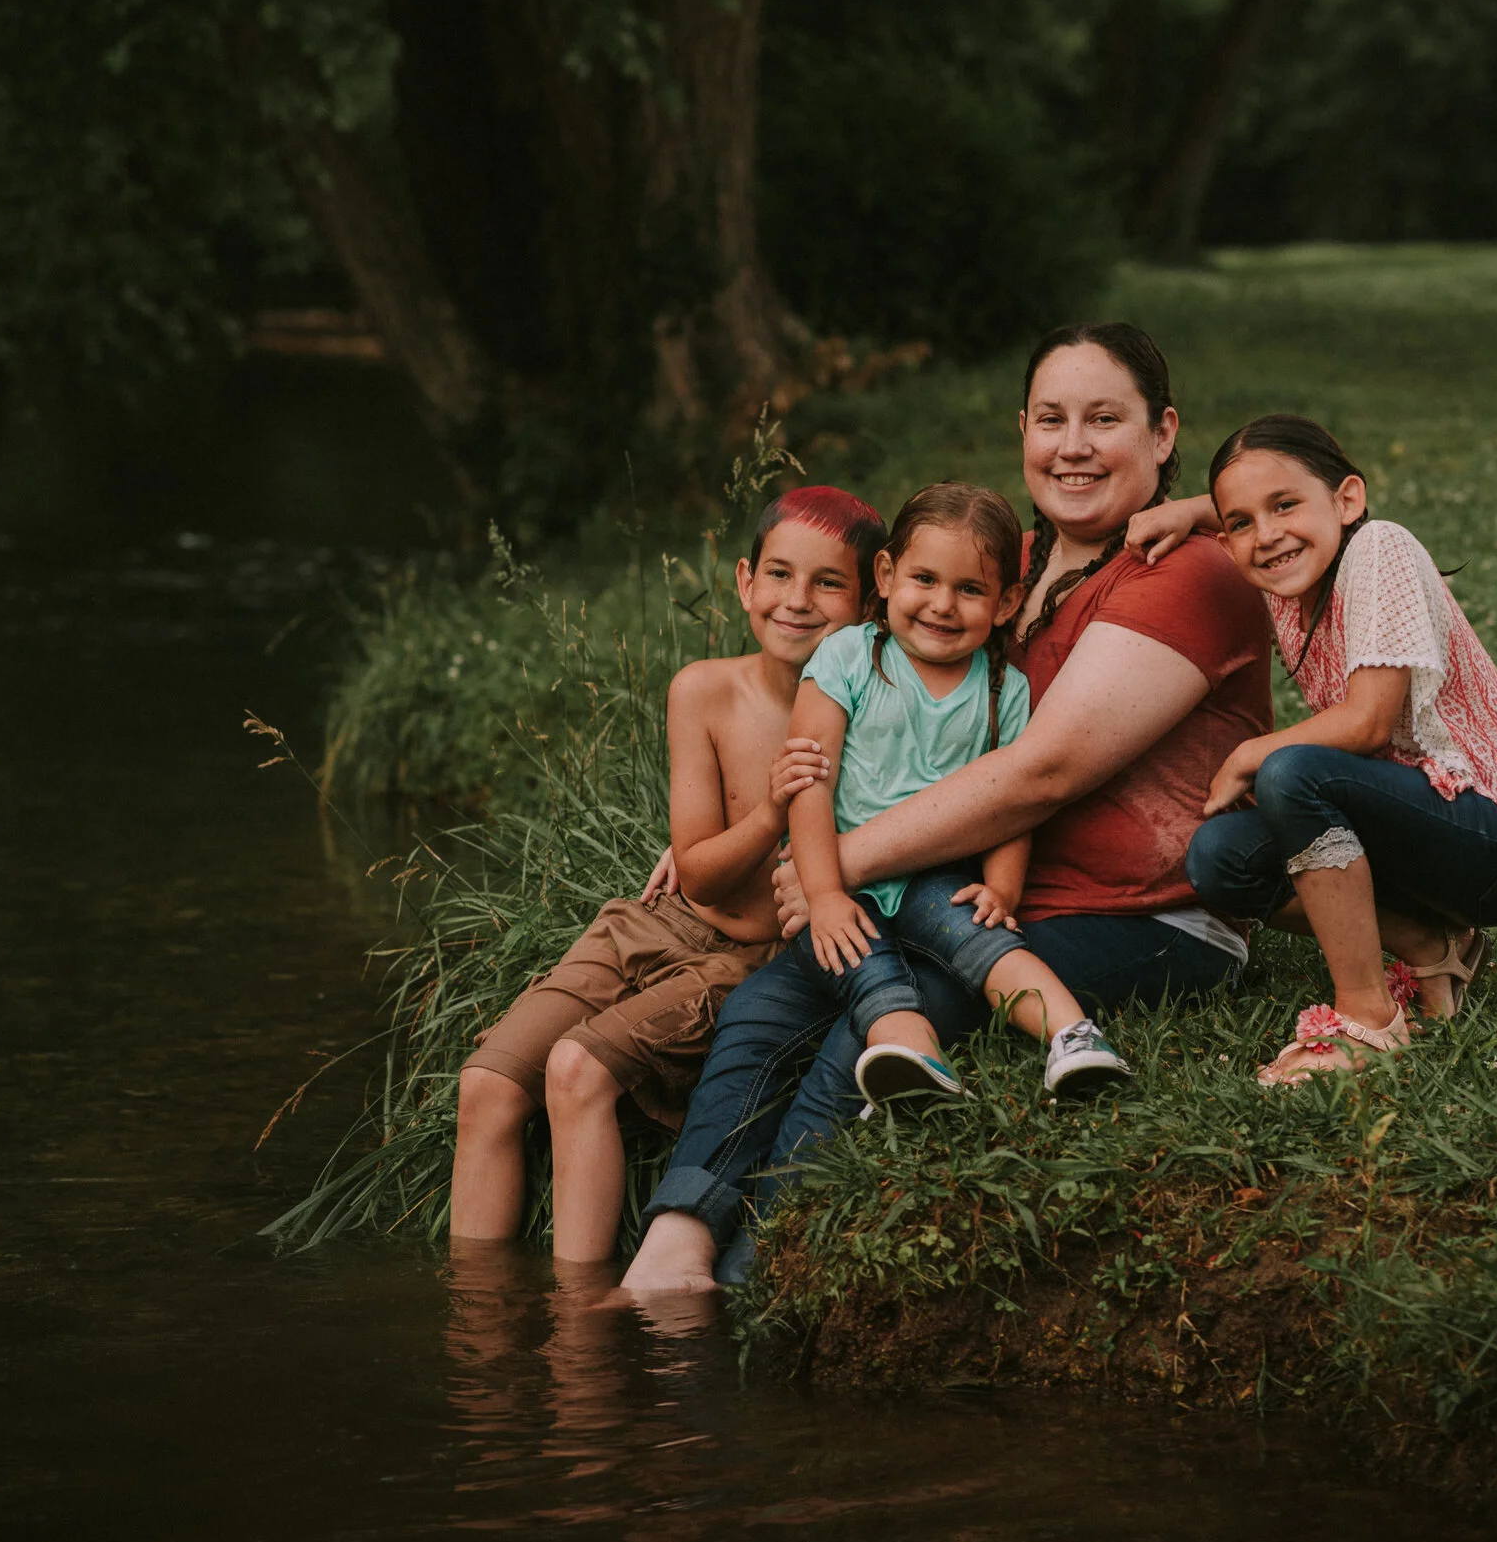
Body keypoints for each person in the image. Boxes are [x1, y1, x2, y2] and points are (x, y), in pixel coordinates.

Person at [619, 322, 1273, 1294]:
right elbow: (869, 658)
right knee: (771, 1000)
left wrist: (834, 864)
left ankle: (760, 1262)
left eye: (1106, 419)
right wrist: (742, 824)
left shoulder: (1186, 571)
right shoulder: (1020, 562)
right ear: (1021, 429)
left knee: (888, 1017)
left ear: (1163, 430)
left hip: (1149, 914)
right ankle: (679, 1231)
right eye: (1051, 419)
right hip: (986, 894)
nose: (1074, 444)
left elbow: (1039, 773)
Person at [447, 487, 885, 1257]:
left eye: (828, 583)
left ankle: (580, 1336)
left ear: (871, 597)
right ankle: (480, 1332)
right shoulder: (704, 690)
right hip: (660, 920)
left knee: (577, 1070)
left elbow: (969, 553)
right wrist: (767, 814)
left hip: (754, 958)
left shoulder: (879, 708)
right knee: (487, 1085)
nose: (797, 601)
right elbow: (701, 873)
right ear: (745, 581)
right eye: (779, 575)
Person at [1134, 415, 1497, 1083]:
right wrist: (1192, 513)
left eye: (1285, 506)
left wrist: (1249, 752)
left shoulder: (1379, 549)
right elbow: (1261, 518)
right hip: (1416, 824)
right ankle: (1432, 946)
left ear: (1348, 499)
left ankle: (1368, 1018)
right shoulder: (1288, 579)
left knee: (1291, 771)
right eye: (1241, 522)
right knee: (1220, 859)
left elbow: (1367, 724)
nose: (1267, 533)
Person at [785, 482, 1126, 1109]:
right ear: (885, 574)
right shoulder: (846, 656)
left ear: (1006, 603)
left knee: (984, 941)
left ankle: (1074, 1037)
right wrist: (824, 893)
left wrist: (1003, 886)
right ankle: (915, 1056)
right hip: (842, 882)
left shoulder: (1007, 691)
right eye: (925, 580)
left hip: (937, 875)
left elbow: (1013, 807)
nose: (943, 605)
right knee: (866, 968)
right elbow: (809, 784)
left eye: (970, 589)